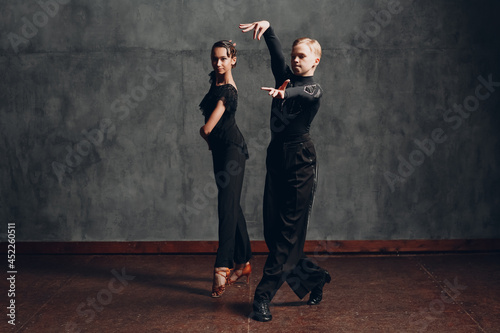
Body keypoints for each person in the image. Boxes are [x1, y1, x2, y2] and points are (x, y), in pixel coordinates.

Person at [239, 21, 330, 321]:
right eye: (294, 55)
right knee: (274, 233)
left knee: (289, 235)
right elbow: (276, 54)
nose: (295, 59)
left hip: (300, 160)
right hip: (276, 156)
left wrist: (284, 95)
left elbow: (309, 93)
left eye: (302, 56)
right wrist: (268, 28)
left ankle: (262, 298)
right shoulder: (285, 76)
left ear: (315, 60)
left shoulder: (310, 88)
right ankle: (314, 279)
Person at [199, 40, 252, 298]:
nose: (218, 63)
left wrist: (204, 133)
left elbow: (209, 128)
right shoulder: (216, 82)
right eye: (214, 59)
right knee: (233, 205)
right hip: (220, 151)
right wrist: (212, 143)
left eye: (223, 59)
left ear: (233, 60)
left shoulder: (228, 90)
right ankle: (244, 263)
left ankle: (222, 266)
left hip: (232, 151)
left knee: (225, 207)